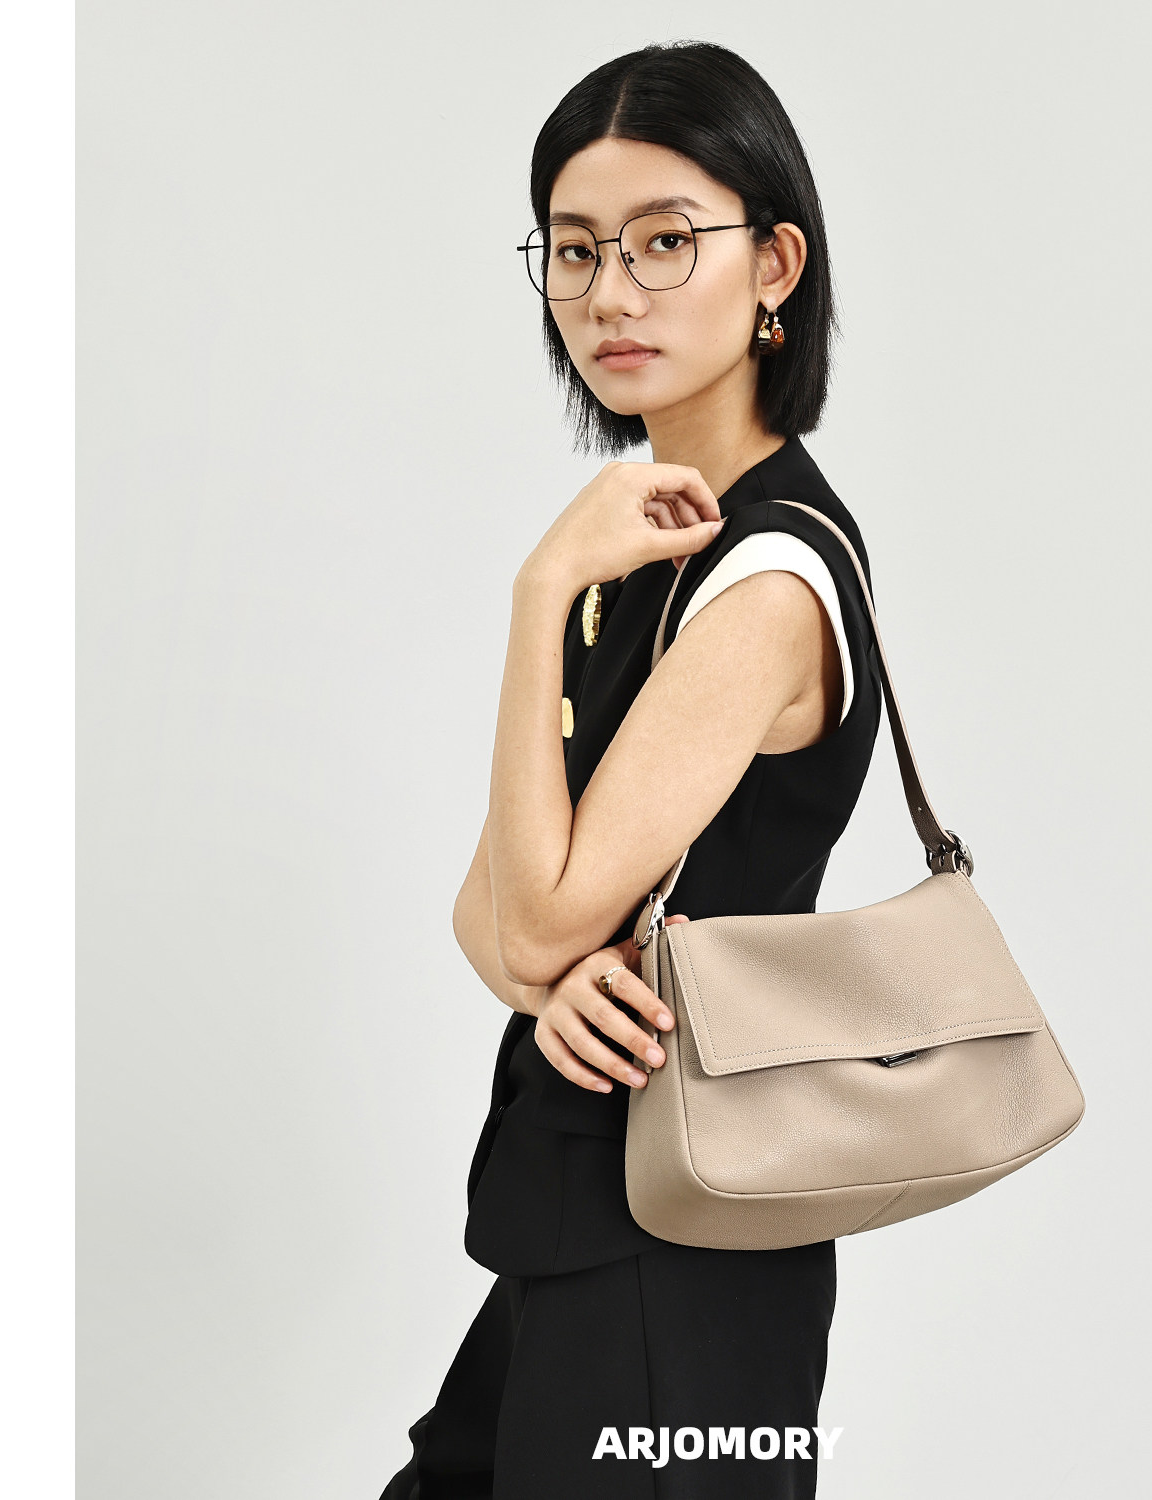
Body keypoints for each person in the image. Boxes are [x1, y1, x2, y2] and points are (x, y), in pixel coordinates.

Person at [379, 40, 885, 1499]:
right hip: (592, 1219)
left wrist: (538, 590)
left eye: (666, 242)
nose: (611, 293)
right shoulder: (652, 553)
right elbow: (487, 915)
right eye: (576, 248)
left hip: (685, 1247)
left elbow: (533, 919)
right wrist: (547, 976)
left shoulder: (768, 578)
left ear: (775, 264)